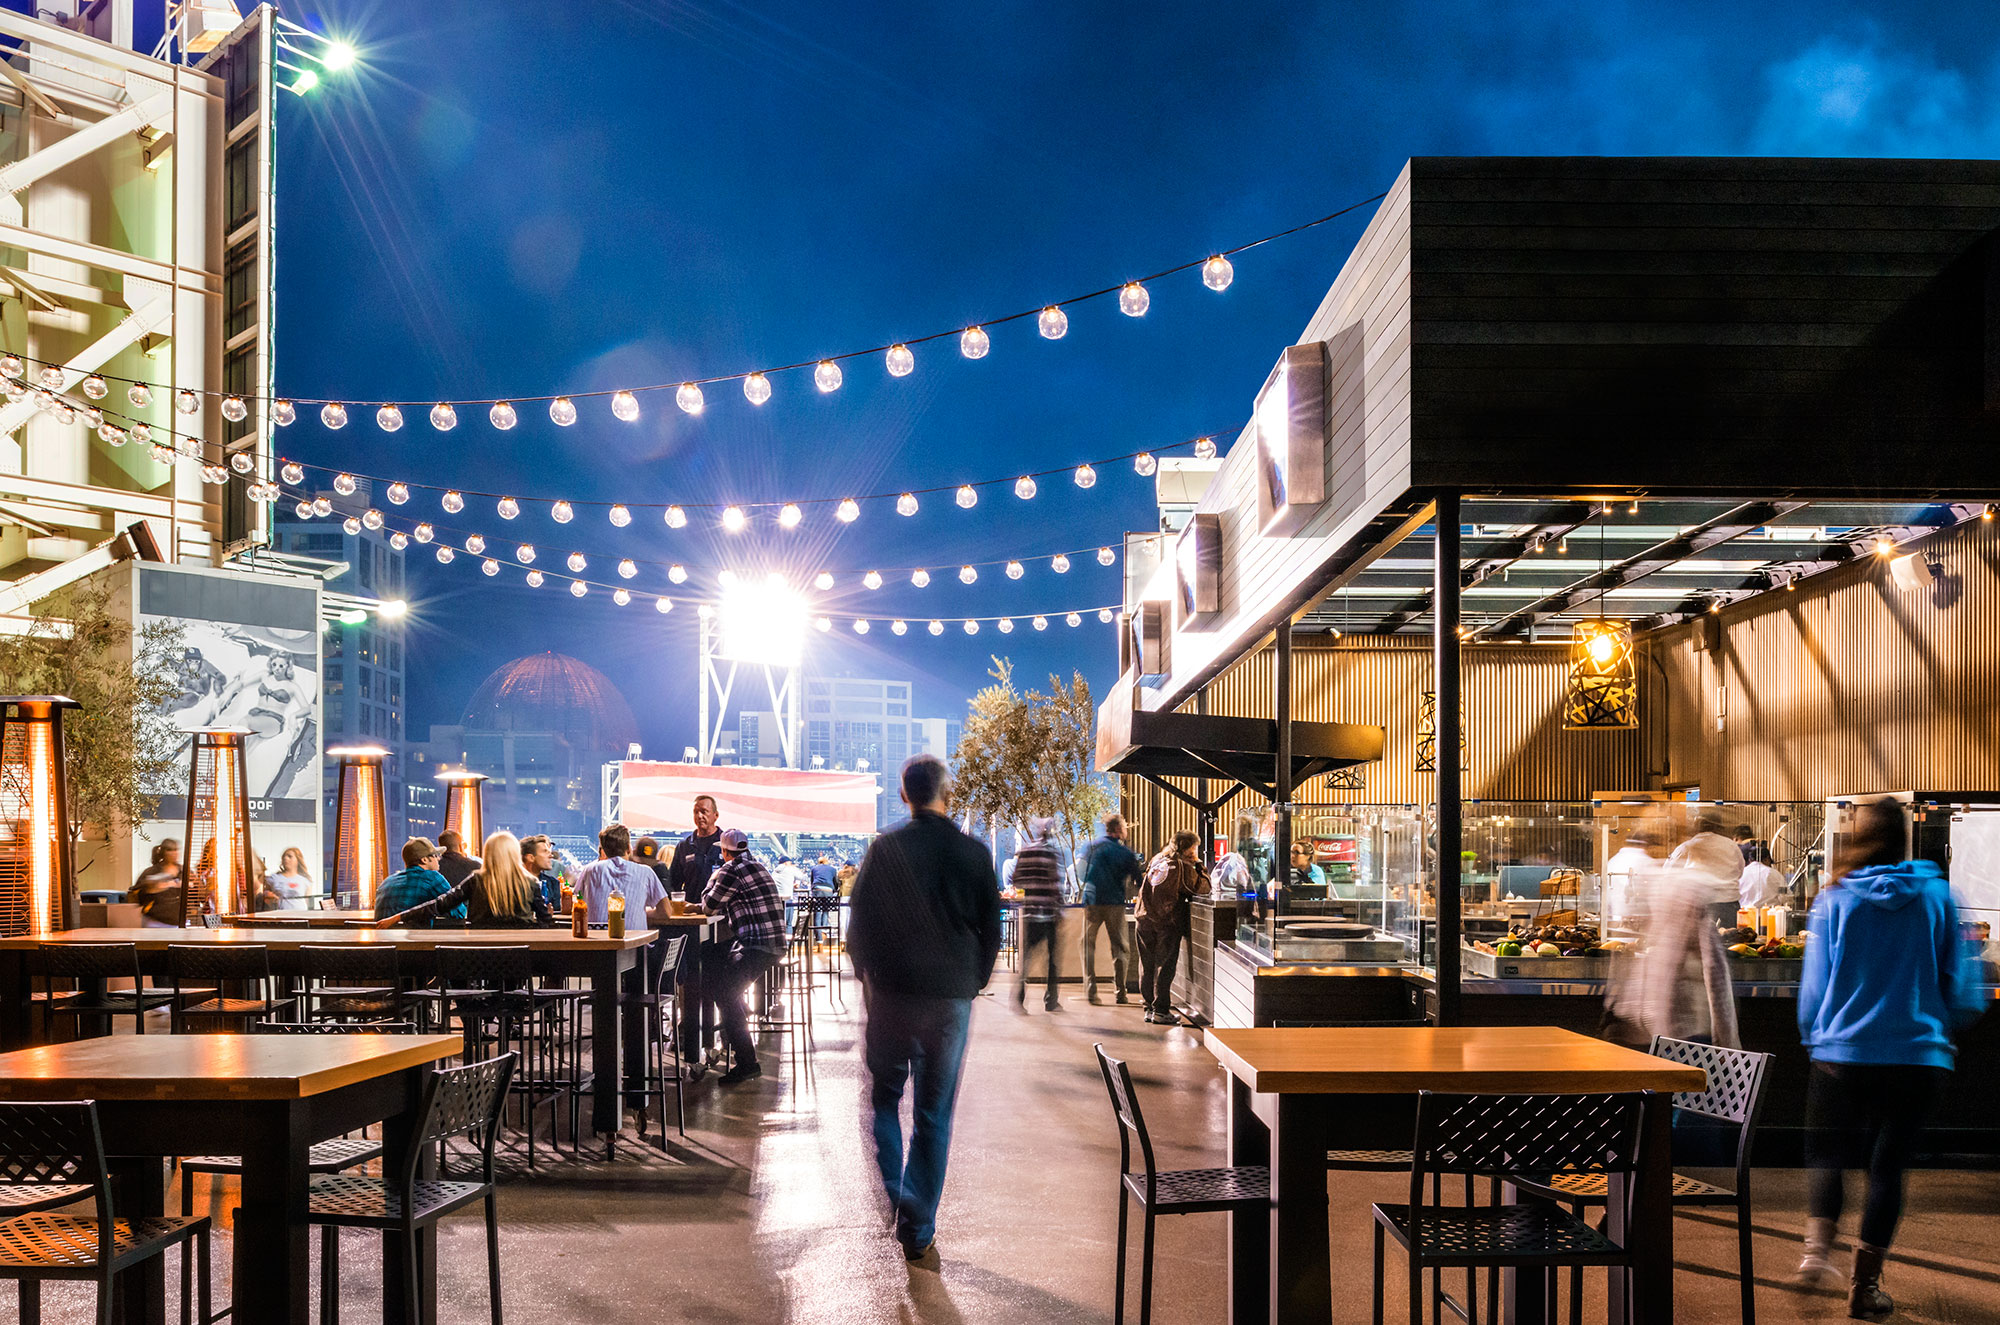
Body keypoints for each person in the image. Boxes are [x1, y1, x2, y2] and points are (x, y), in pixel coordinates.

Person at [1792, 799, 1983, 1317]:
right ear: (1906, 839)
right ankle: (1865, 1285)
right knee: (1886, 1170)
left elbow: (1815, 986)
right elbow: (1962, 987)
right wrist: (1944, 1023)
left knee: (1827, 1157)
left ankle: (1815, 1255)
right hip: (1917, 1059)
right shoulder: (1939, 896)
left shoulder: (1833, 899)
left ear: (1856, 836)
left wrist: (1817, 1036)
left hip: (1841, 1054)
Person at [846, 754, 1001, 1263]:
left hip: (893, 995)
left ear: (903, 795)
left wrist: (871, 983)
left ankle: (898, 1194)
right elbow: (990, 933)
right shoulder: (974, 853)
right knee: (934, 1114)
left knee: (886, 1100)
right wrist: (970, 983)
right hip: (949, 1000)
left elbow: (858, 932)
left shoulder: (884, 850)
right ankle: (917, 1228)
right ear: (945, 792)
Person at [686, 828, 788, 1085]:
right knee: (724, 983)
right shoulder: (759, 866)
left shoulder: (730, 870)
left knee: (724, 993)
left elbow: (709, 905)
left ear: (724, 851)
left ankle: (747, 1062)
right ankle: (739, 1020)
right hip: (772, 944)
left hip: (757, 946)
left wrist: (715, 875)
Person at [379, 831, 552, 928]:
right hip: (520, 958)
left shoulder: (476, 880)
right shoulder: (531, 883)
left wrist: (399, 916)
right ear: (515, 853)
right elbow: (545, 922)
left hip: (478, 957)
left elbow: (439, 905)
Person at [1134, 832, 1206, 1025]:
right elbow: (1201, 888)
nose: (1195, 852)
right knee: (1165, 966)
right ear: (1187, 849)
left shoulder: (1158, 859)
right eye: (1193, 849)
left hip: (1143, 918)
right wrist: (1199, 866)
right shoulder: (1181, 866)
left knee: (1147, 965)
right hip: (1166, 921)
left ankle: (1149, 1007)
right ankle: (1161, 1010)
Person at [1078, 813, 1140, 1005]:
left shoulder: (1090, 847)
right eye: (1125, 827)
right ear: (1119, 830)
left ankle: (1090, 990)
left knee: (1087, 945)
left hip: (1092, 902)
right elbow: (1138, 879)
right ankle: (1120, 993)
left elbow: (1081, 872)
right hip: (1115, 903)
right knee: (1120, 947)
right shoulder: (1126, 853)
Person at [1012, 817, 1064, 1012]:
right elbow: (1055, 883)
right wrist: (1059, 908)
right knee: (1052, 959)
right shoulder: (1050, 853)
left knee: (1027, 957)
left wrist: (1030, 890)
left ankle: (1019, 997)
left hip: (1030, 912)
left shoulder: (1025, 852)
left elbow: (1016, 879)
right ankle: (1051, 1001)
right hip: (1048, 914)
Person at [573, 823, 670, 925]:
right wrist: (641, 912)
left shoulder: (590, 870)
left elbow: (576, 901)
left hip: (597, 940)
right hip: (636, 940)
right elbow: (666, 912)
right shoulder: (646, 872)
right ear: (629, 848)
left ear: (604, 850)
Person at [373, 838, 462, 925]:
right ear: (424, 860)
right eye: (435, 855)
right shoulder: (431, 877)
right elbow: (459, 912)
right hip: (414, 938)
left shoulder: (386, 882)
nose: (438, 859)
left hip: (382, 938)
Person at [667, 795, 723, 901]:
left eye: (704, 811)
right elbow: (674, 882)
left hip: (720, 912)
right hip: (692, 911)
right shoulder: (684, 846)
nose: (699, 816)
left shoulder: (727, 844)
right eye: (696, 812)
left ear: (716, 815)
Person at [129, 840, 183, 927]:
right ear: (163, 852)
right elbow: (136, 893)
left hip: (179, 923)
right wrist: (154, 887)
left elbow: (197, 892)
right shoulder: (151, 872)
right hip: (155, 922)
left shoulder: (184, 871)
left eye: (176, 849)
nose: (174, 853)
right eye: (170, 850)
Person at [520, 834, 564, 912]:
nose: (551, 856)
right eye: (545, 851)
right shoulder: (513, 885)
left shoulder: (553, 883)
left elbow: (557, 912)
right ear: (531, 858)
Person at [1739, 844, 1784, 911]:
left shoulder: (1741, 873)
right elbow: (1785, 895)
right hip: (1769, 915)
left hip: (1745, 914)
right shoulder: (1775, 874)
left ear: (1750, 860)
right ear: (1767, 859)